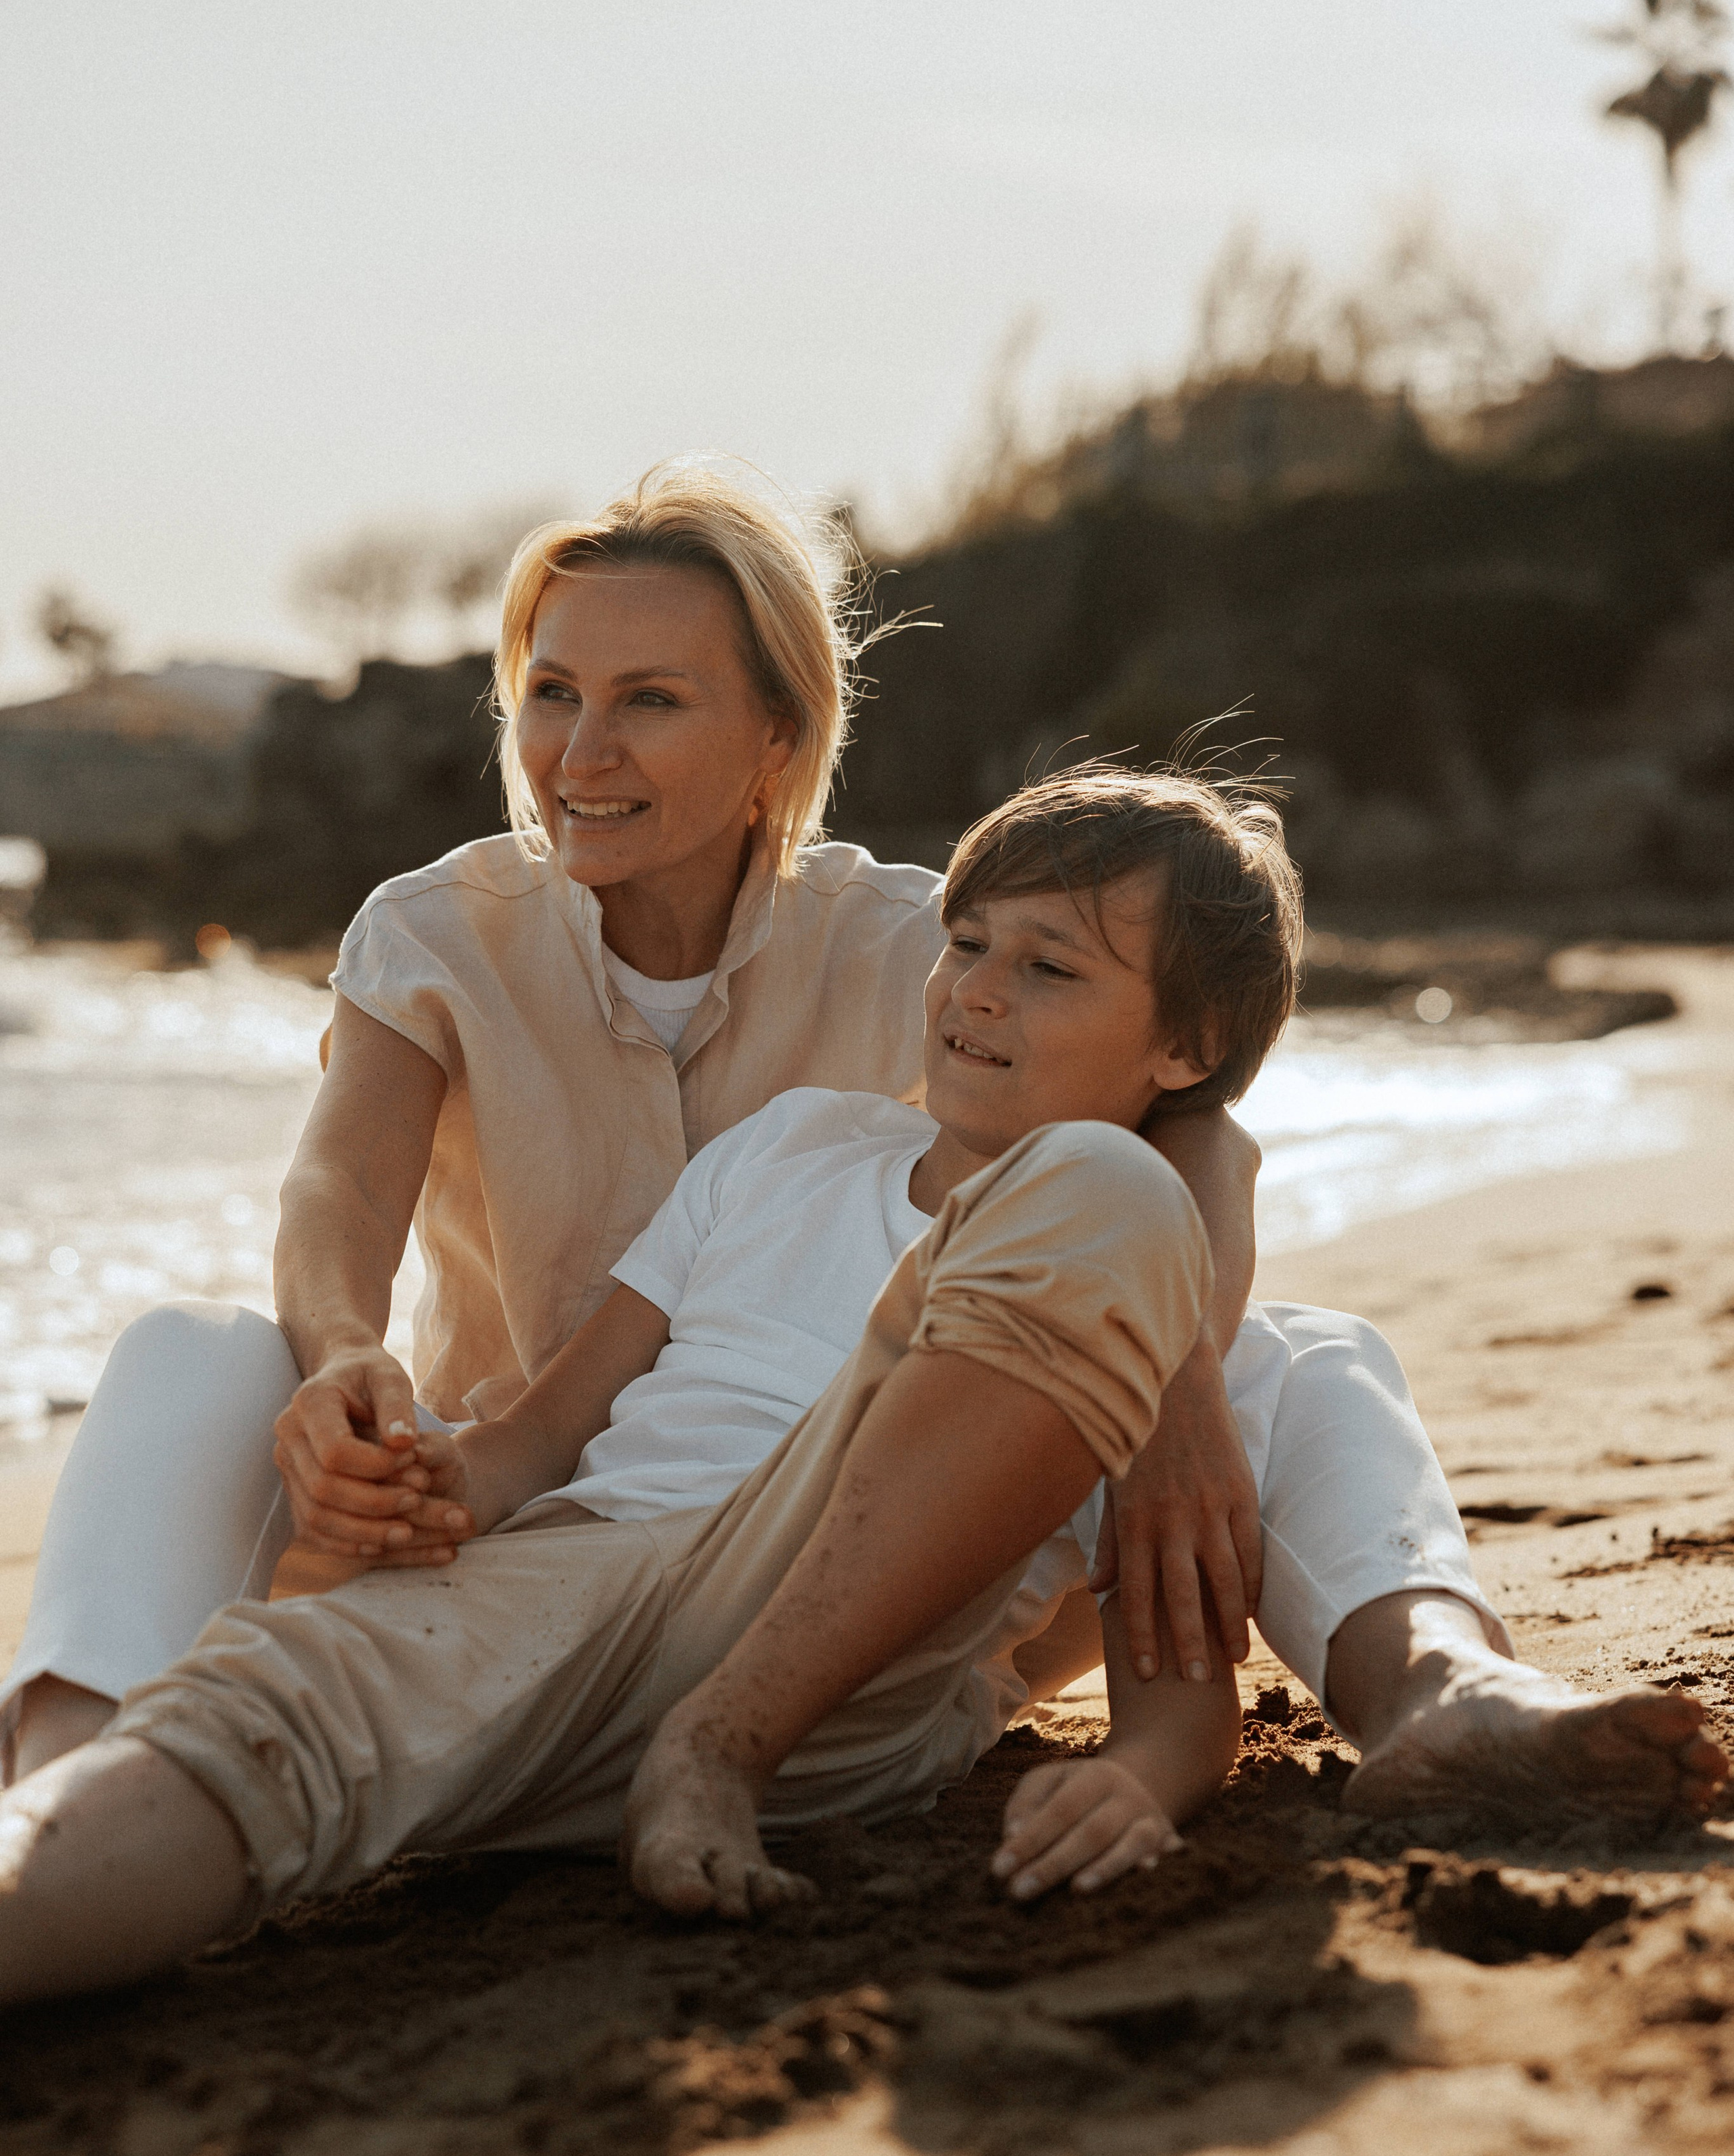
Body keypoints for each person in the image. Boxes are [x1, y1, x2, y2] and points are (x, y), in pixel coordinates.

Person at [2, 466, 1714, 1821]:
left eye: (649, 701)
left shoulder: (921, 937)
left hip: (873, 1535)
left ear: (777, 736)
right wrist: (342, 1355)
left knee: (1300, 1353)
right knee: (191, 1352)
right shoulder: (436, 927)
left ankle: (1439, 1692)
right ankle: (60, 1784)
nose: (577, 753)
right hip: (516, 1508)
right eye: (549, 693)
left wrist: (1181, 1388)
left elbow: (1194, 1144)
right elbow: (337, 1186)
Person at [0, 771, 1719, 2006]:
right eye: (965, 945)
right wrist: (426, 1484)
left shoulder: (1093, 1239)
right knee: (252, 1729)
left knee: (1210, 1268)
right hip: (584, 1565)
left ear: (1180, 1053)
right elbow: (548, 1421)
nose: (971, 988)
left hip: (850, 1663)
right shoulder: (795, 1142)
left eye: (1043, 969)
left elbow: (1165, 1602)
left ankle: (1428, 1687)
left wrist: (1157, 1756)